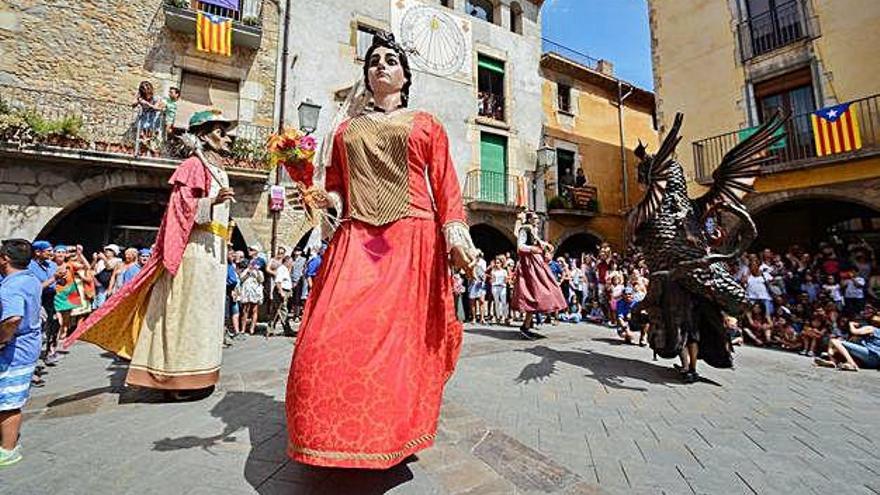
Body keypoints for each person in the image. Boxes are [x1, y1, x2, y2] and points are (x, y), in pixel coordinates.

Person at [285, 31, 477, 469]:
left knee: (400, 343)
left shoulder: (426, 123)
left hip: (414, 236)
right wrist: (319, 198)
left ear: (405, 76)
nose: (381, 66)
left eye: (390, 60)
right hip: (359, 238)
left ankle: (394, 433)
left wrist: (455, 233)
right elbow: (337, 191)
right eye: (373, 61)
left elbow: (445, 184)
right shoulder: (345, 131)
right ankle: (331, 436)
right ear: (367, 77)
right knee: (326, 335)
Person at [65, 109, 237, 399]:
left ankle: (200, 374)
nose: (227, 138)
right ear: (204, 136)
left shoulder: (218, 167)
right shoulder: (194, 165)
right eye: (220, 132)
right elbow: (181, 207)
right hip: (194, 251)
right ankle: (172, 378)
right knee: (185, 313)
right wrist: (212, 201)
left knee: (205, 315)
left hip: (214, 253)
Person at [0, 239, 42, 466]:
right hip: (29, 346)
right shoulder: (30, 279)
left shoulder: (11, 286)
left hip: (14, 351)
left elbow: (13, 318)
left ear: (5, 259)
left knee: (8, 401)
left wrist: (1, 339)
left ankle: (8, 449)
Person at [510, 211, 566, 340]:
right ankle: (526, 326)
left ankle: (529, 324)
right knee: (534, 292)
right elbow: (520, 247)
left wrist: (544, 245)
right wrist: (533, 249)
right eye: (535, 218)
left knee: (542, 290)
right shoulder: (525, 229)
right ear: (529, 219)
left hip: (536, 263)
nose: (538, 220)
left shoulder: (532, 229)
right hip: (530, 265)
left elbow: (537, 240)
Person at [815, 317, 880, 371]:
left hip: (871, 354)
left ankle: (849, 363)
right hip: (875, 361)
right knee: (843, 350)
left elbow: (854, 331)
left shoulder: (871, 328)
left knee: (834, 341)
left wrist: (851, 324)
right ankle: (844, 364)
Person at [239, 258, 264, 336]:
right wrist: (248, 274)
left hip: (255, 292)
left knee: (254, 310)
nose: (253, 266)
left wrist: (256, 272)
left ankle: (252, 329)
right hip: (246, 292)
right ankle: (243, 329)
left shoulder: (259, 272)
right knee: (245, 310)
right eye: (251, 264)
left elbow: (261, 280)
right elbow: (241, 279)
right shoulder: (245, 271)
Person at [271, 256, 293, 336]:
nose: (292, 263)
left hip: (285, 290)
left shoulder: (286, 269)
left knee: (276, 311)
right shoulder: (281, 269)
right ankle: (287, 330)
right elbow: (278, 282)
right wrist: (281, 292)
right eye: (291, 262)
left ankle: (270, 329)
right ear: (286, 262)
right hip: (281, 291)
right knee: (283, 310)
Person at [489, 258, 509, 325]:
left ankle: (505, 317)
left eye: (498, 263)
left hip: (502, 287)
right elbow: (492, 280)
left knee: (504, 302)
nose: (497, 264)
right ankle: (498, 317)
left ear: (501, 263)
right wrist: (492, 280)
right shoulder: (493, 271)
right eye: (496, 263)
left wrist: (506, 280)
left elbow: (506, 280)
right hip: (495, 287)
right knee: (496, 302)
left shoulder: (504, 271)